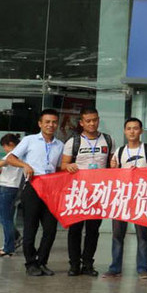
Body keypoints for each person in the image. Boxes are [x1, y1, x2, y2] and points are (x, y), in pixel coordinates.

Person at [4, 109, 64, 277]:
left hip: (51, 189)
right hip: (33, 186)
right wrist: (25, 165)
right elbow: (10, 158)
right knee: (31, 227)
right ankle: (30, 263)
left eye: (54, 122)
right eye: (47, 122)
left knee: (51, 229)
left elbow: (59, 167)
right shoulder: (29, 140)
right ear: (40, 124)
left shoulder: (60, 145)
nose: (51, 125)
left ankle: (42, 262)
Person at [59, 106, 114, 277]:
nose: (92, 123)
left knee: (93, 230)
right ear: (81, 123)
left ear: (98, 120)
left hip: (98, 192)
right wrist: (69, 166)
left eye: (95, 120)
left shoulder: (108, 140)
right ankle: (74, 264)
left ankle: (88, 264)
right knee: (75, 229)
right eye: (88, 121)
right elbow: (63, 165)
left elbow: (113, 163)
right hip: (77, 192)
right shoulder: (73, 142)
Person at [103, 117, 147, 279]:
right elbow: (114, 174)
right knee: (117, 235)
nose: (132, 131)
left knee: (142, 235)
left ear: (141, 131)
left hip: (141, 197)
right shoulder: (120, 151)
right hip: (122, 198)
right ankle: (115, 268)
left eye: (135, 128)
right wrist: (113, 168)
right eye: (129, 128)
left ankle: (143, 269)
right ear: (124, 131)